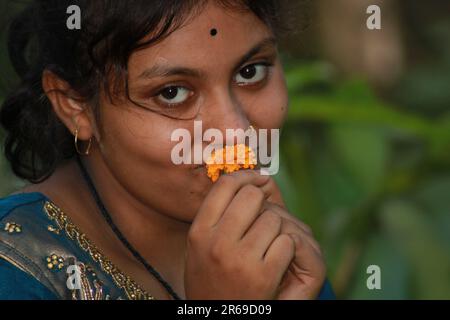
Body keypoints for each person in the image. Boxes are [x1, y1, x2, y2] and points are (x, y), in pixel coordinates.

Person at [0, 0, 335, 300]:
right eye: (172, 93)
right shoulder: (14, 274)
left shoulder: (273, 252)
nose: (236, 132)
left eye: (251, 72)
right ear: (75, 106)